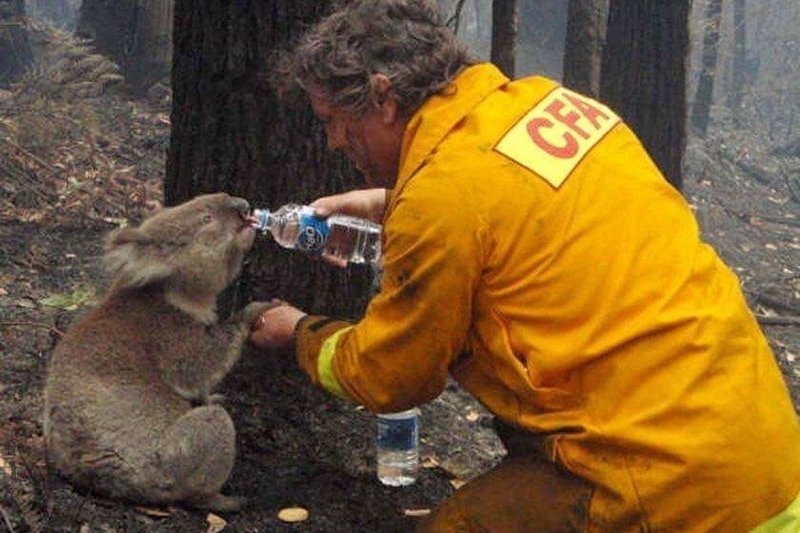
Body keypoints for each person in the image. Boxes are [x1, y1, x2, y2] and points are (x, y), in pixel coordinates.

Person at [249, 1, 800, 531]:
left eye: (334, 120)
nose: (332, 141)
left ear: (383, 98)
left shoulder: (444, 200)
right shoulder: (547, 104)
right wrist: (389, 203)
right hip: (765, 456)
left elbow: (391, 376)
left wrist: (299, 332)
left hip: (669, 486)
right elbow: (519, 214)